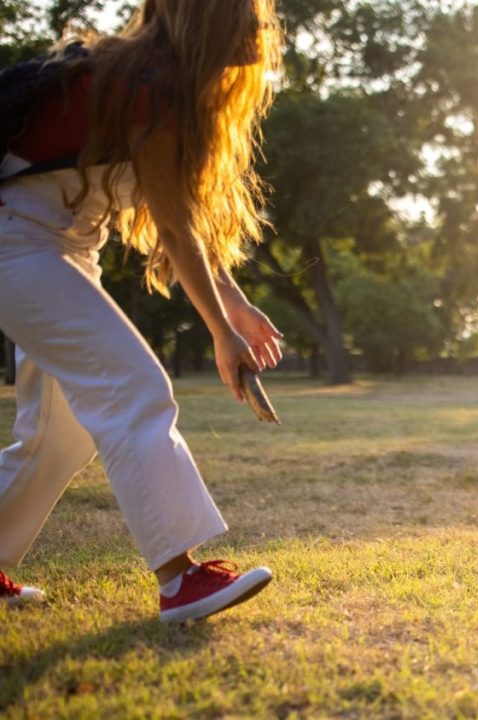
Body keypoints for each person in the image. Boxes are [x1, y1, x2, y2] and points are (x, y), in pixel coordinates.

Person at [0, 0, 285, 622]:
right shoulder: (147, 85)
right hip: (17, 242)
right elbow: (178, 232)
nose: (264, 30)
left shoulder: (162, 88)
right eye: (251, 17)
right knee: (135, 387)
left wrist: (233, 307)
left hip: (61, 248)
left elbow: (173, 220)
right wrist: (219, 331)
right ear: (209, 22)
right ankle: (180, 579)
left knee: (59, 434)